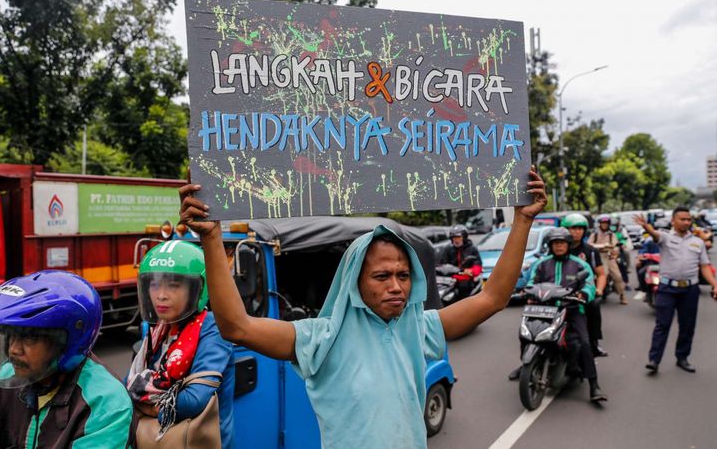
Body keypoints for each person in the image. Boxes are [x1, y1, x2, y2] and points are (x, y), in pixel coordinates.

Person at [178, 168, 547, 448]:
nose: (396, 286)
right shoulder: (320, 337)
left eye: (404, 275)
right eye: (381, 276)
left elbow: (493, 298)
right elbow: (236, 327)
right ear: (355, 281)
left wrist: (523, 220)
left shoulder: (419, 326)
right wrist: (212, 238)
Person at [0, 270, 135, 448]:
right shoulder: (10, 375)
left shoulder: (106, 403)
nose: (13, 350)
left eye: (30, 338)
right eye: (9, 336)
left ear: (65, 343)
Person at [126, 240, 235, 447]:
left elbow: (193, 401)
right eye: (155, 284)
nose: (161, 295)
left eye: (174, 285)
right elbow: (127, 386)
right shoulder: (159, 328)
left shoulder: (213, 329)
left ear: (197, 289)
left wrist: (145, 407)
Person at [508, 228, 607, 402]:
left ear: (568, 245)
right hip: (544, 308)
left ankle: (594, 385)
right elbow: (532, 283)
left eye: (562, 243)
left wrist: (583, 294)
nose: (559, 246)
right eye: (555, 243)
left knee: (584, 342)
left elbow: (589, 285)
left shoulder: (580, 264)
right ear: (550, 246)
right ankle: (526, 364)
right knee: (526, 334)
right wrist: (528, 293)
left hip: (571, 309)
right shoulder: (541, 264)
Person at [635, 207, 717, 373]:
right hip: (667, 288)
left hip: (690, 289)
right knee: (662, 325)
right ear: (673, 221)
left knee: (687, 326)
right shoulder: (665, 238)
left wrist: (715, 284)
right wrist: (646, 227)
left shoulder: (698, 242)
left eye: (688, 219)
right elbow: (655, 235)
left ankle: (682, 358)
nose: (686, 222)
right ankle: (654, 360)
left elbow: (705, 266)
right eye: (682, 219)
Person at [562, 213, 608, 357]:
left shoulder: (590, 251)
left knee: (594, 305)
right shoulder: (558, 247)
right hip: (559, 290)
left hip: (583, 291)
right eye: (573, 228)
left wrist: (598, 289)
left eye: (580, 229)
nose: (577, 232)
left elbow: (601, 274)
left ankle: (594, 344)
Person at [589, 214, 628, 304]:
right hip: (598, 256)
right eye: (603, 223)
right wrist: (600, 246)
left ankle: (622, 295)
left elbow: (615, 246)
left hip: (609, 257)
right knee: (597, 275)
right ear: (600, 224)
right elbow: (589, 244)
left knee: (617, 276)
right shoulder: (594, 234)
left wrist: (614, 251)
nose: (604, 225)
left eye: (606, 223)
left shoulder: (611, 234)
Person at [439, 224, 483, 298]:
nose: (456, 240)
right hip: (450, 279)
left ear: (464, 237)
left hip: (466, 279)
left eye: (458, 237)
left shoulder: (472, 249)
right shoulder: (448, 249)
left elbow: (478, 265)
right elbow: (442, 265)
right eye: (454, 238)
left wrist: (470, 271)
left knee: (464, 288)